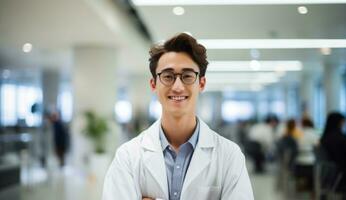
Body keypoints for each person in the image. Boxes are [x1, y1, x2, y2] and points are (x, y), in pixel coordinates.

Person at [102, 33, 253, 200]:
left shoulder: (229, 156)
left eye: (187, 76)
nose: (178, 87)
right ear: (154, 84)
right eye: (168, 76)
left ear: (201, 83)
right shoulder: (128, 157)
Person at [320, 112, 346, 197]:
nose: (344, 125)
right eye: (343, 122)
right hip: (342, 176)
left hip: (330, 175)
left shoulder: (324, 138)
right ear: (339, 123)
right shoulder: (342, 138)